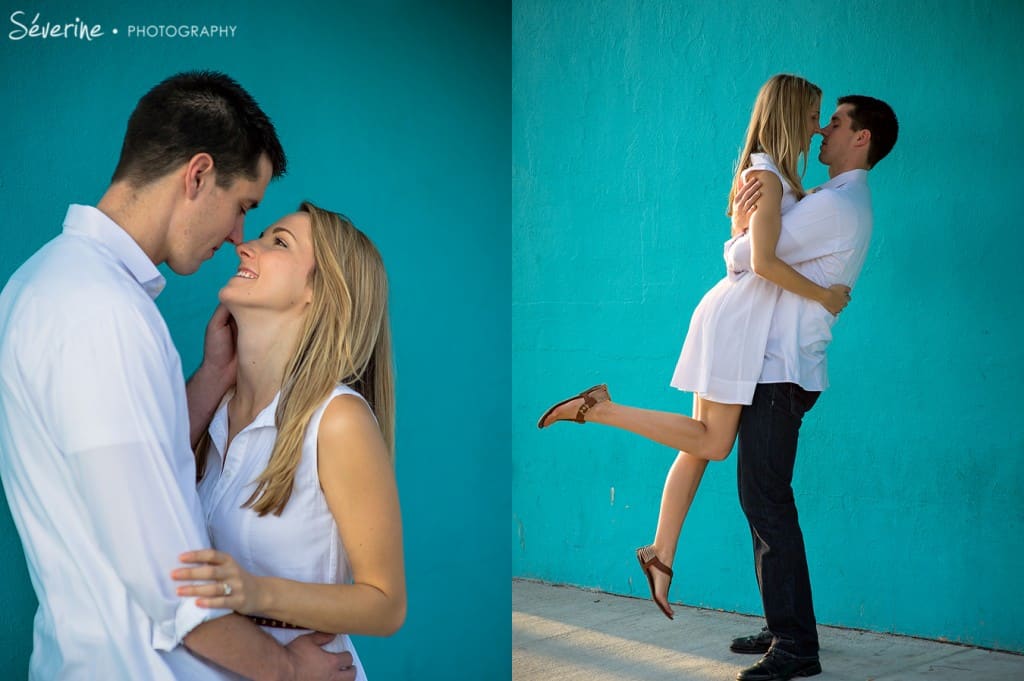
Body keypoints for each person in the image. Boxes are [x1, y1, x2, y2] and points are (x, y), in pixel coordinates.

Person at [0, 71, 356, 680]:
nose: (240, 237)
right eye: (243, 207)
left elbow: (126, 467)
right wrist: (289, 671)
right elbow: (175, 586)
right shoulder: (102, 312)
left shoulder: (44, 284)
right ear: (196, 176)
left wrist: (212, 377)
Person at [536, 74, 851, 621]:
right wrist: (825, 294)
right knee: (712, 442)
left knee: (699, 443)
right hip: (737, 321)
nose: (818, 125)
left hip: (733, 315)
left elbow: (754, 244)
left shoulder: (767, 173)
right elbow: (765, 262)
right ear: (789, 114)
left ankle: (661, 555)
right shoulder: (768, 176)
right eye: (811, 114)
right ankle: (599, 408)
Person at [169, 202, 406, 681]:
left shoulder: (337, 420)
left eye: (279, 242)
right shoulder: (211, 405)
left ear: (317, 294)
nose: (246, 245)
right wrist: (214, 374)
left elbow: (386, 605)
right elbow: (147, 482)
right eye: (260, 234)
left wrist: (254, 593)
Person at [727, 95, 898, 681]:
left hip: (783, 371)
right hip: (777, 367)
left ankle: (797, 648)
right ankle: (785, 627)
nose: (823, 129)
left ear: (863, 138)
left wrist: (739, 232)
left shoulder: (838, 206)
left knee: (766, 501)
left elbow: (749, 256)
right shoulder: (826, 199)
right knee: (762, 500)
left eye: (838, 122)